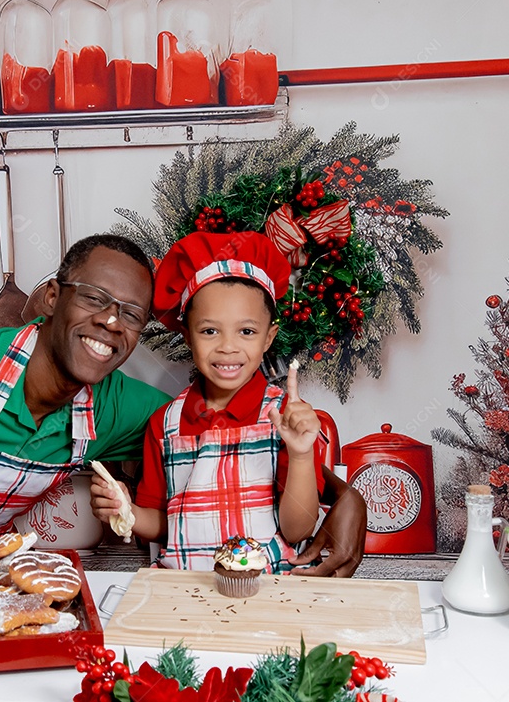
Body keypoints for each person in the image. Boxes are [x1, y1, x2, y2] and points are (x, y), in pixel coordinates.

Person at [0, 234, 365, 576]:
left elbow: (221, 443)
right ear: (50, 298)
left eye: (130, 313)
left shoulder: (130, 408)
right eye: (94, 298)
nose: (110, 322)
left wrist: (344, 496)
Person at [89, 232, 352, 572]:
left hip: (267, 594)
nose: (228, 347)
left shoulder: (286, 420)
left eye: (246, 331)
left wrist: (301, 454)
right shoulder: (165, 423)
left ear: (268, 337)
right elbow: (165, 523)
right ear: (187, 336)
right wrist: (126, 510)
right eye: (210, 331)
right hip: (184, 594)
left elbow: (297, 529)